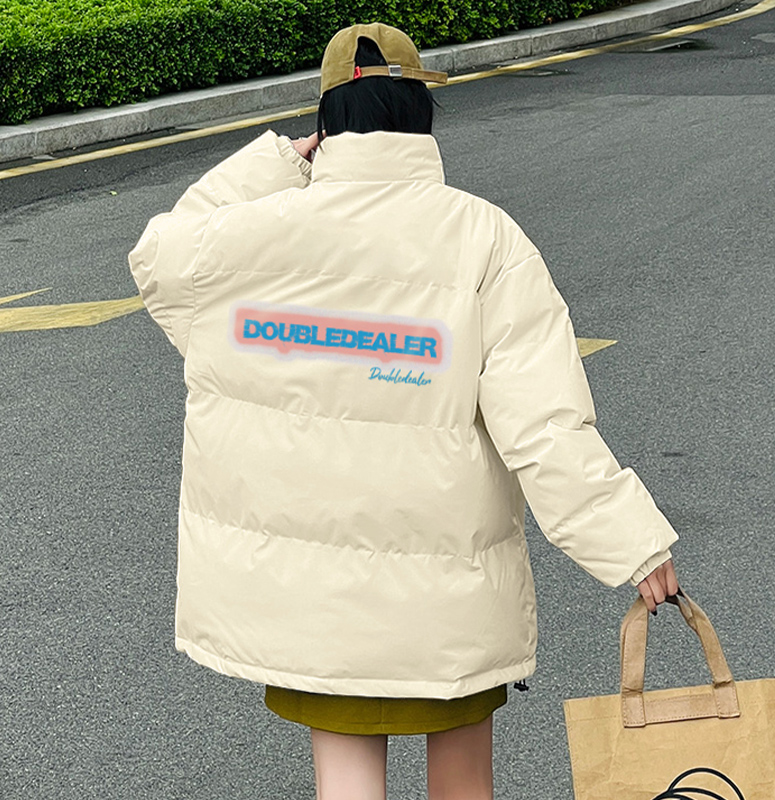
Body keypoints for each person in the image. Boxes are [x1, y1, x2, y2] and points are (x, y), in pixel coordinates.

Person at [129, 22, 679, 800]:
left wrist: (280, 163)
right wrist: (631, 544)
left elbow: (160, 255)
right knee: (462, 782)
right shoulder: (483, 238)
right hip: (448, 596)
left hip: (315, 602)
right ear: (421, 111)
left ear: (327, 121)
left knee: (346, 781)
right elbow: (543, 424)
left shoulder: (248, 238)